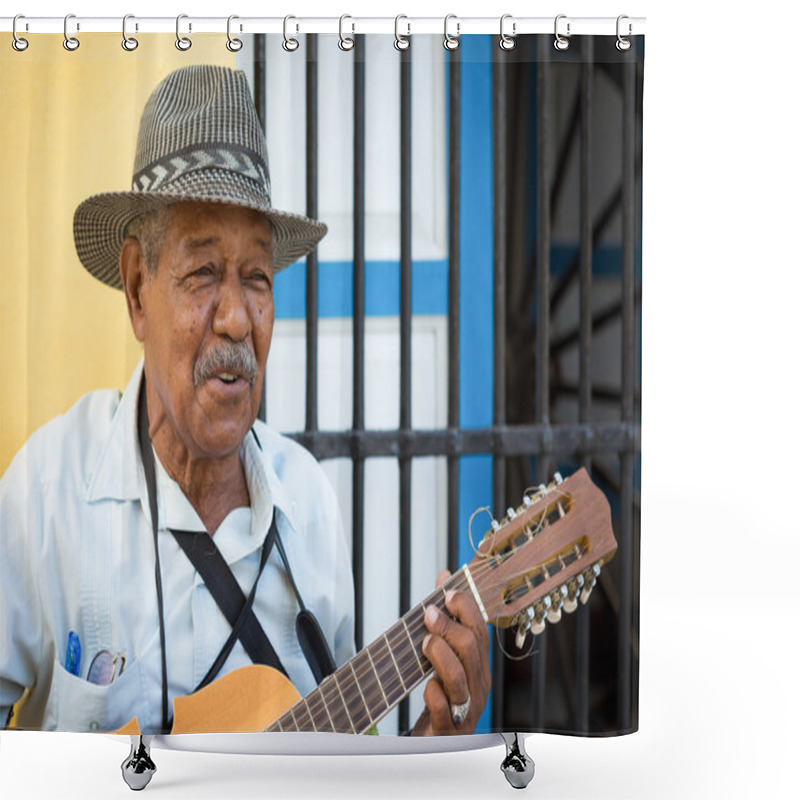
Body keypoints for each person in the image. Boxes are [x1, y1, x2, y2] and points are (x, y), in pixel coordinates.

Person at [0, 64, 490, 737]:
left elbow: (343, 773)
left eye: (256, 277)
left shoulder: (309, 508)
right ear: (138, 288)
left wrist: (439, 735)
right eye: (203, 272)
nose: (236, 319)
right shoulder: (47, 496)